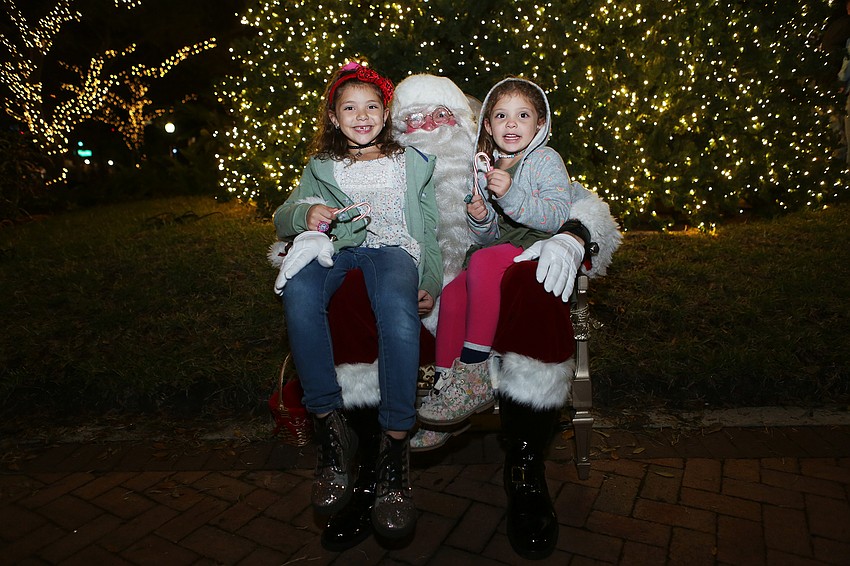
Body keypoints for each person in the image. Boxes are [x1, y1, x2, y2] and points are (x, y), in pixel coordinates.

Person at [276, 73, 621, 559]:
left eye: (442, 117)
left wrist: (574, 234)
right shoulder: (374, 166)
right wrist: (310, 231)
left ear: (465, 126)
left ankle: (524, 468)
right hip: (400, 304)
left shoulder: (516, 162)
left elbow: (574, 204)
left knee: (535, 277)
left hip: (491, 311)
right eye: (414, 120)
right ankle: (374, 470)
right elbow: (304, 215)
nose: (428, 128)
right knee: (349, 290)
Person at [271, 61, 442, 541]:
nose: (361, 116)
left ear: (386, 113)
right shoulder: (321, 166)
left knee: (398, 313)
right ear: (333, 117)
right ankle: (327, 423)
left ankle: (394, 450)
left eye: (371, 106)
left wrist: (430, 279)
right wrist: (308, 212)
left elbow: (428, 227)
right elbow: (283, 215)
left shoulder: (412, 162)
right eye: (349, 107)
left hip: (394, 252)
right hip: (340, 250)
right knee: (298, 290)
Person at [416, 77, 588, 429]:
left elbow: (556, 214)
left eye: (523, 115)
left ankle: (475, 371)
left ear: (540, 124)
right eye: (501, 116)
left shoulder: (543, 159)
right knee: (453, 291)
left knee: (481, 260)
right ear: (488, 126)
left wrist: (510, 195)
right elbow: (494, 232)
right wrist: (481, 219)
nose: (511, 124)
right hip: (505, 245)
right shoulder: (488, 166)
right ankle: (448, 386)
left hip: (537, 244)